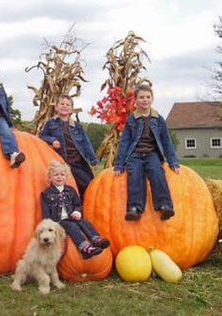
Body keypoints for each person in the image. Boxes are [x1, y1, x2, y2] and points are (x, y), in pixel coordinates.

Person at [114, 84, 180, 221]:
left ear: (152, 99)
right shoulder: (132, 119)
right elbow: (125, 142)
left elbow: (166, 140)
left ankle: (165, 206)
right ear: (136, 101)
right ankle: (135, 208)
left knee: (157, 173)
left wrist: (173, 161)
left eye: (148, 97)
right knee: (135, 176)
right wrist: (119, 164)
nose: (145, 100)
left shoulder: (158, 119)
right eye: (141, 97)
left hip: (152, 153)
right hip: (135, 155)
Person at [41, 160, 110, 259]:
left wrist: (77, 212)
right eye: (56, 175)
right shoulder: (47, 194)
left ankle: (96, 239)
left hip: (71, 217)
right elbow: (46, 212)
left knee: (85, 223)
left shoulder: (71, 191)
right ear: (50, 177)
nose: (59, 177)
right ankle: (85, 248)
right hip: (58, 223)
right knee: (72, 226)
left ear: (66, 177)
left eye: (62, 174)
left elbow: (77, 204)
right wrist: (49, 226)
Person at [39, 95, 99, 201]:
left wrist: (93, 160)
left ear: (71, 109)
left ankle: (84, 208)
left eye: (68, 105)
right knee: (66, 188)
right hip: (62, 163)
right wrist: (52, 140)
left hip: (77, 162)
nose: (64, 106)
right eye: (62, 104)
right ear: (56, 107)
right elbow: (42, 136)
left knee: (87, 184)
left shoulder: (77, 126)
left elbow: (86, 143)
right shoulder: (51, 123)